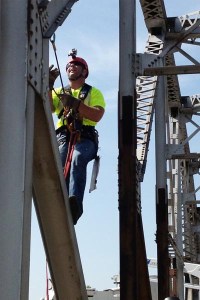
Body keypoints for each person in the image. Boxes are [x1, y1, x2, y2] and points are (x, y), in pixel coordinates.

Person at [49, 50, 106, 225]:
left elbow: (96, 115)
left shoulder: (93, 92)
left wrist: (76, 104)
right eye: (69, 66)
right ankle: (58, 205)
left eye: (76, 65)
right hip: (63, 138)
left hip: (85, 138)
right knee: (58, 168)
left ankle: (75, 204)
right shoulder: (58, 92)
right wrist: (48, 85)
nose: (71, 67)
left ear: (84, 72)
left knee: (78, 158)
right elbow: (48, 106)